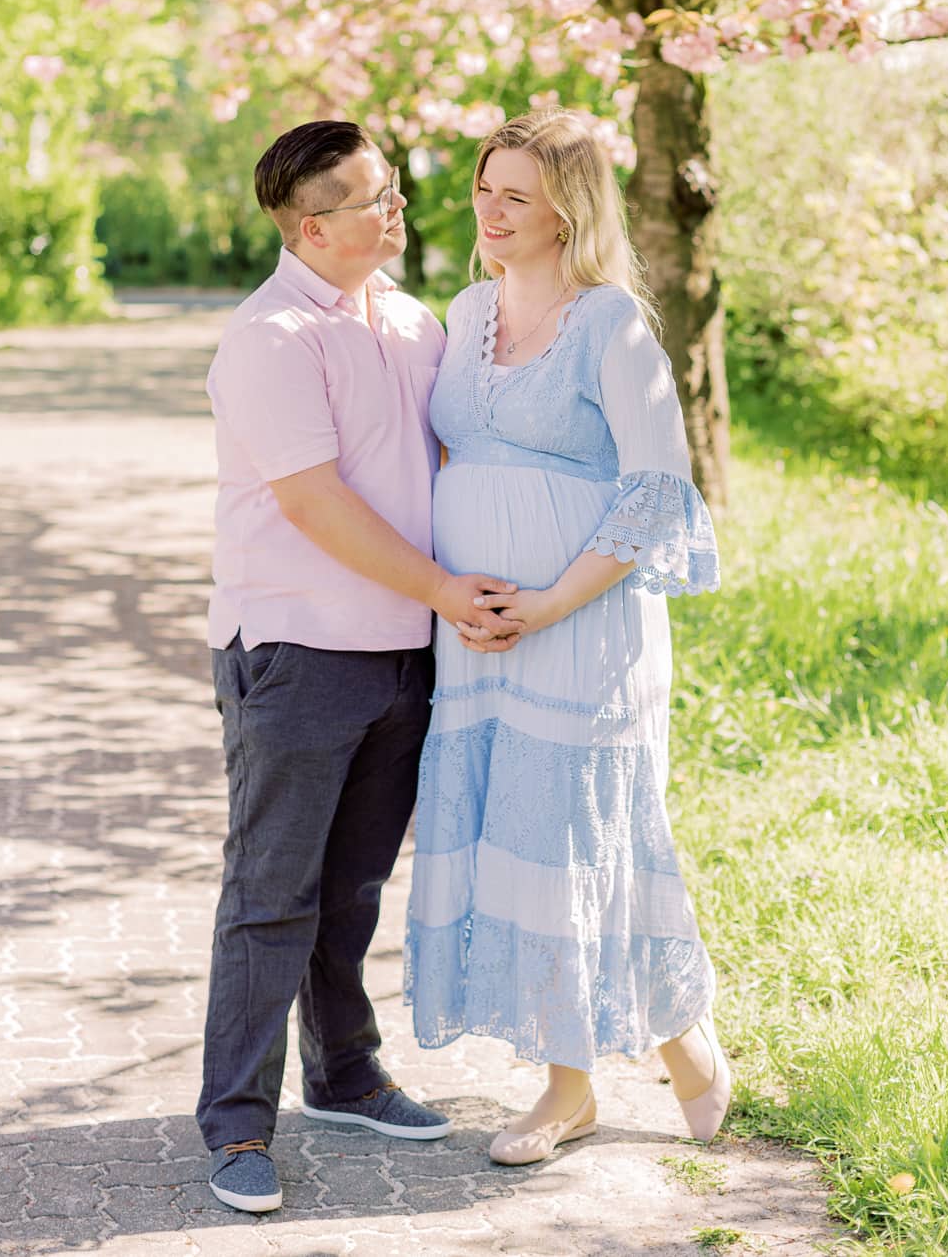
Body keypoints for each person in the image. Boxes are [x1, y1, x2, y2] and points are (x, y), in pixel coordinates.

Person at [198, 120, 519, 1214]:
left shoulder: (414, 320)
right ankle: (238, 1126)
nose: (397, 210)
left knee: (352, 889)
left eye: (394, 189)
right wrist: (442, 590)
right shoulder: (271, 336)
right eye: (370, 198)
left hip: (400, 656)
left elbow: (442, 462)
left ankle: (345, 1075)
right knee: (270, 896)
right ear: (309, 225)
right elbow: (312, 498)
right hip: (295, 651)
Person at [404, 107, 729, 1165]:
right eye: (483, 190)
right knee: (515, 841)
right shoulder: (462, 307)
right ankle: (672, 1035)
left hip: (581, 630)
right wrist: (456, 592)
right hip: (478, 629)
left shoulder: (611, 324)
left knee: (575, 842)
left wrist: (543, 603)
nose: (489, 212)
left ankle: (570, 1088)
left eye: (514, 197)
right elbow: (453, 462)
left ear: (566, 211)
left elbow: (654, 491)